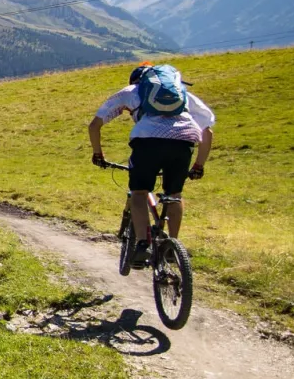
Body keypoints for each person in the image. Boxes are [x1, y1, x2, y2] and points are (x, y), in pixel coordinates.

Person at [88, 62, 214, 267]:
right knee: (174, 195)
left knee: (139, 192)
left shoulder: (131, 91)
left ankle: (143, 244)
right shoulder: (182, 95)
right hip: (184, 142)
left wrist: (98, 153)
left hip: (147, 142)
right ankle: (173, 245)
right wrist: (199, 164)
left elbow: (94, 125)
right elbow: (207, 132)